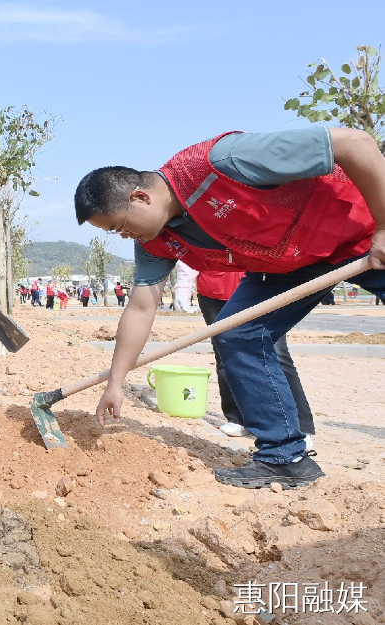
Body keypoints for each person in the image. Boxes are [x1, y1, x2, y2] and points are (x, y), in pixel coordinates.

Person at [74, 127, 385, 489]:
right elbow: (141, 309)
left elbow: (354, 143)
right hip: (288, 265)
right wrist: (116, 382)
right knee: (237, 335)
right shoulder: (154, 242)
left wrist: (384, 225)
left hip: (361, 231)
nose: (125, 237)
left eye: (120, 227)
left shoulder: (222, 162)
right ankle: (284, 458)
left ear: (141, 197)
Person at [197, 270, 315, 449]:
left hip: (260, 285)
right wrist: (183, 285)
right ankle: (237, 418)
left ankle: (299, 425)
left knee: (277, 352)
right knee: (225, 354)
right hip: (214, 290)